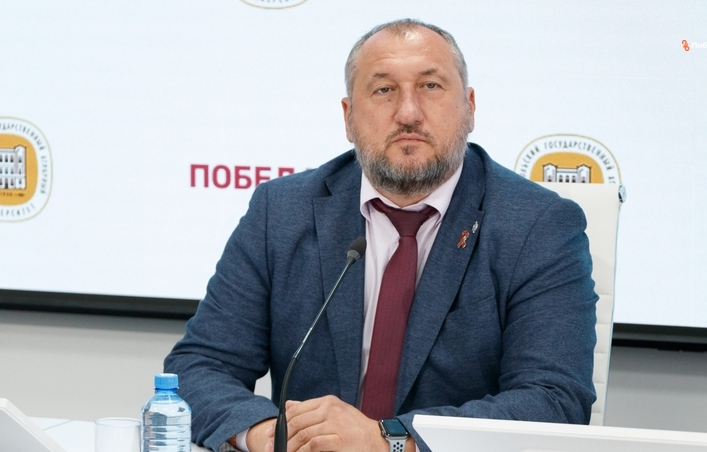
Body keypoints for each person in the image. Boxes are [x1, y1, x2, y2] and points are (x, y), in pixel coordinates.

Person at [164, 18, 597, 452]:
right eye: (384, 90)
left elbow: (554, 400)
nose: (408, 113)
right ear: (349, 117)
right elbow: (199, 367)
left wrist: (386, 440)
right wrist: (274, 436)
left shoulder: (537, 226)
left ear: (469, 108)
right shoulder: (281, 212)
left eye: (430, 86)